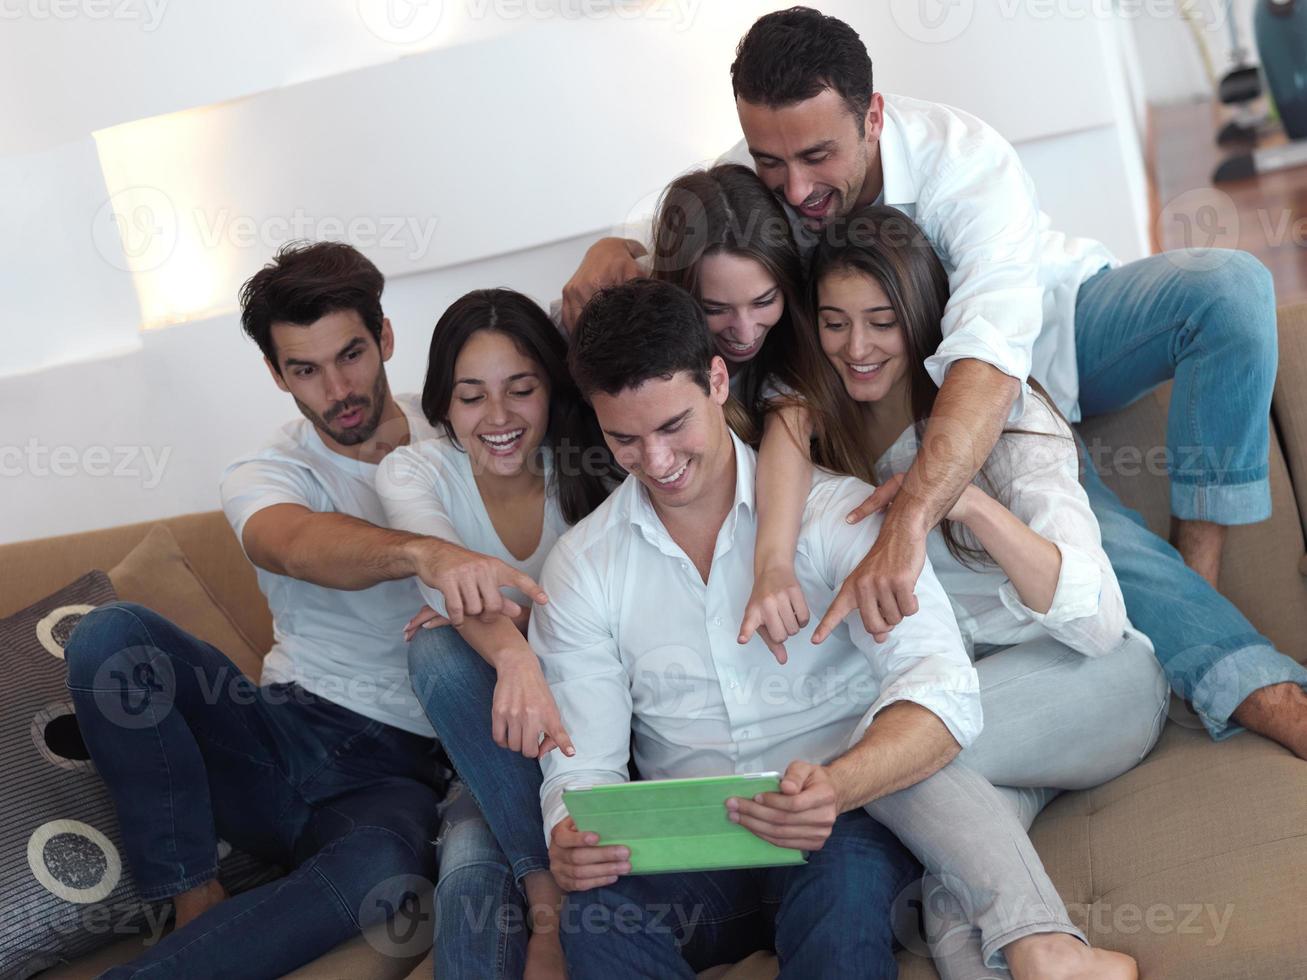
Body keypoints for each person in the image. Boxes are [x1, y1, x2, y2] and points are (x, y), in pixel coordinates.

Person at [558, 6, 1307, 758]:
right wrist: (609, 249)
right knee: (1085, 536)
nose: (792, 186)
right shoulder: (761, 172)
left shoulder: (962, 159)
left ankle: (1200, 573)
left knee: (1230, 287)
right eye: (770, 163)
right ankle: (1255, 685)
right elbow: (676, 235)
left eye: (817, 157)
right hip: (911, 391)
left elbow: (986, 363)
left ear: (872, 117)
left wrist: (915, 518)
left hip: (1048, 331)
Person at [534, 278, 1135, 979]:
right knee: (596, 917)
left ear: (718, 380)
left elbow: (939, 686)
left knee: (842, 904)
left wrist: (838, 787)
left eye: (673, 428)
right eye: (624, 440)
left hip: (836, 825)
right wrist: (567, 833)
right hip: (689, 849)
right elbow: (585, 762)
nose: (657, 462)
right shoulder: (581, 565)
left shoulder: (834, 516)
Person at [63, 242, 544, 979]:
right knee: (111, 636)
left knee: (383, 870)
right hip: (279, 732)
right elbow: (290, 544)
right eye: (305, 370)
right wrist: (424, 555)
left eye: (350, 355)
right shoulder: (265, 470)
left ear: (384, 338)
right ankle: (192, 892)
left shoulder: (465, 430)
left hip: (395, 775)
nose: (337, 388)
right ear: (275, 373)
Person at [768, 206, 1170, 977]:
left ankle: (1046, 947)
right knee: (957, 917)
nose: (857, 348)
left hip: (1095, 681)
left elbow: (1095, 623)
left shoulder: (1009, 415)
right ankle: (1051, 953)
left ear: (919, 317)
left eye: (881, 322)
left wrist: (964, 500)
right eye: (835, 323)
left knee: (887, 753)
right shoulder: (818, 443)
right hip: (980, 723)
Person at [376, 288, 619, 980]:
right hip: (491, 754)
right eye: (472, 396)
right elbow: (444, 577)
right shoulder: (414, 471)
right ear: (443, 405)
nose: (499, 418)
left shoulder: (596, 469)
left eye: (521, 389)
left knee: (442, 642)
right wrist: (514, 654)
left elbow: (622, 625)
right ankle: (550, 907)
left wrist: (508, 620)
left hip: (591, 733)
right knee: (468, 874)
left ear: (552, 388)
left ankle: (552, 906)